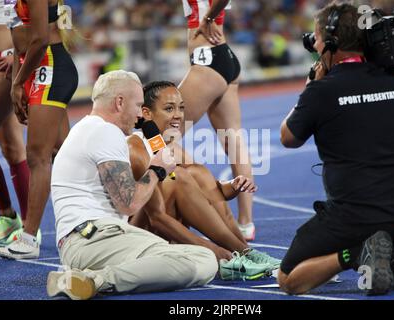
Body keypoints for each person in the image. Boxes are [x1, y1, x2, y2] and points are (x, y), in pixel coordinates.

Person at [278, 2, 394, 296]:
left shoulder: (321, 91)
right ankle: (391, 244)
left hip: (354, 217)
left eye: (316, 37)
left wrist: (309, 88)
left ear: (331, 41)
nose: (313, 43)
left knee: (288, 279)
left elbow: (288, 138)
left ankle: (358, 253)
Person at [46, 70, 217, 300]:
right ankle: (95, 280)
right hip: (95, 238)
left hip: (87, 238)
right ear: (119, 102)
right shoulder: (106, 132)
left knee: (187, 255)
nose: (140, 115)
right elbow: (129, 203)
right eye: (138, 105)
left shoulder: (86, 128)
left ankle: (84, 278)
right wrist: (157, 169)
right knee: (202, 260)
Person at [127, 81, 281, 280]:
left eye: (181, 108)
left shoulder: (168, 147)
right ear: (146, 113)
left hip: (163, 228)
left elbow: (206, 193)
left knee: (197, 173)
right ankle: (239, 253)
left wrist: (233, 187)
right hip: (137, 237)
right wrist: (217, 252)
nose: (178, 115)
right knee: (180, 176)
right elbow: (155, 215)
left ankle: (246, 252)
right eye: (169, 108)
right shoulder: (136, 147)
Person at [0, 0, 78, 259]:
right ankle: (103, 216)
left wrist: (18, 83)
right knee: (65, 152)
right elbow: (18, 40)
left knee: (38, 156)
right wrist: (15, 85)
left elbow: (40, 39)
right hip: (33, 66)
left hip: (49, 63)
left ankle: (29, 238)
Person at [179, 0, 256, 240]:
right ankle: (246, 223)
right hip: (223, 56)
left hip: (207, 59)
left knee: (161, 135)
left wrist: (208, 18)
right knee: (234, 140)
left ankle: (192, 207)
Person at [0, 0, 30, 246]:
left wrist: (16, 54)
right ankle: (9, 217)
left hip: (1, 61)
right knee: (13, 149)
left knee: (22, 149)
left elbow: (37, 15)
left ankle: (30, 228)